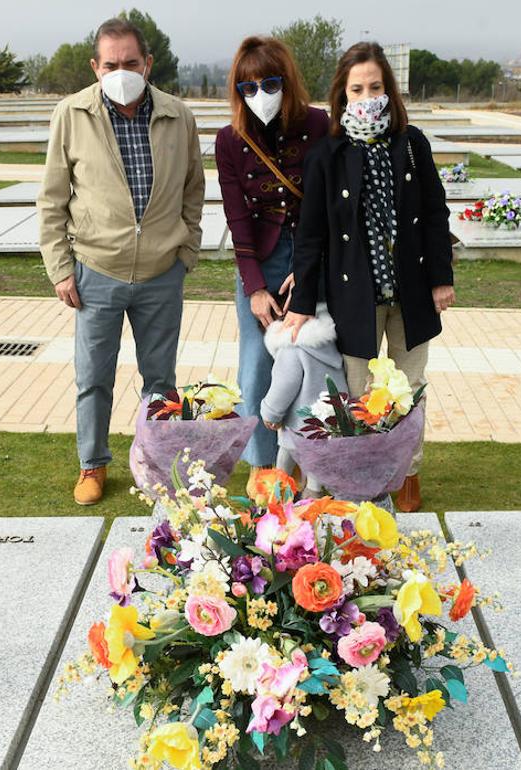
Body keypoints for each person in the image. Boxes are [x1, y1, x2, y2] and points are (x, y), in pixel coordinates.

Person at [38, 17, 205, 505]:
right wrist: (60, 268)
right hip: (97, 270)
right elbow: (51, 198)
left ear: (147, 63)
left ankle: (158, 463)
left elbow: (194, 188)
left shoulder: (178, 116)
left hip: (160, 273)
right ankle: (92, 465)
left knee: (161, 381)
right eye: (110, 64)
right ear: (95, 66)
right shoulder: (71, 115)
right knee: (93, 378)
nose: (121, 71)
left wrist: (186, 250)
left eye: (130, 62)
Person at [283, 42, 455, 512]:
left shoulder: (412, 144)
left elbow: (435, 214)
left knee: (409, 389)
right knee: (358, 395)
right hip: (354, 297)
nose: (366, 96)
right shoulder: (327, 154)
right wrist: (301, 304)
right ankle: (361, 473)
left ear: (389, 90)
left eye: (375, 87)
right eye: (357, 88)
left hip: (412, 292)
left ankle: (408, 473)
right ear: (342, 95)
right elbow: (312, 234)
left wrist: (442, 278)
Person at [214, 35, 330, 494]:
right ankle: (264, 470)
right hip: (260, 260)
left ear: (288, 81)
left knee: (316, 359)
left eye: (270, 82)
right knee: (256, 366)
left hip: (311, 254)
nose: (260, 93)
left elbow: (325, 202)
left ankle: (317, 462)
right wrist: (255, 286)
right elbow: (237, 216)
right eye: (248, 86)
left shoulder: (319, 125)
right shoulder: (229, 140)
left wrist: (312, 266)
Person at [259, 302, 346, 499]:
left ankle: (278, 491)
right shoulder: (328, 344)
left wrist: (270, 413)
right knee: (317, 458)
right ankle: (313, 492)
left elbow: (284, 384)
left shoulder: (291, 348)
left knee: (286, 453)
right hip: (330, 417)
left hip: (300, 422)